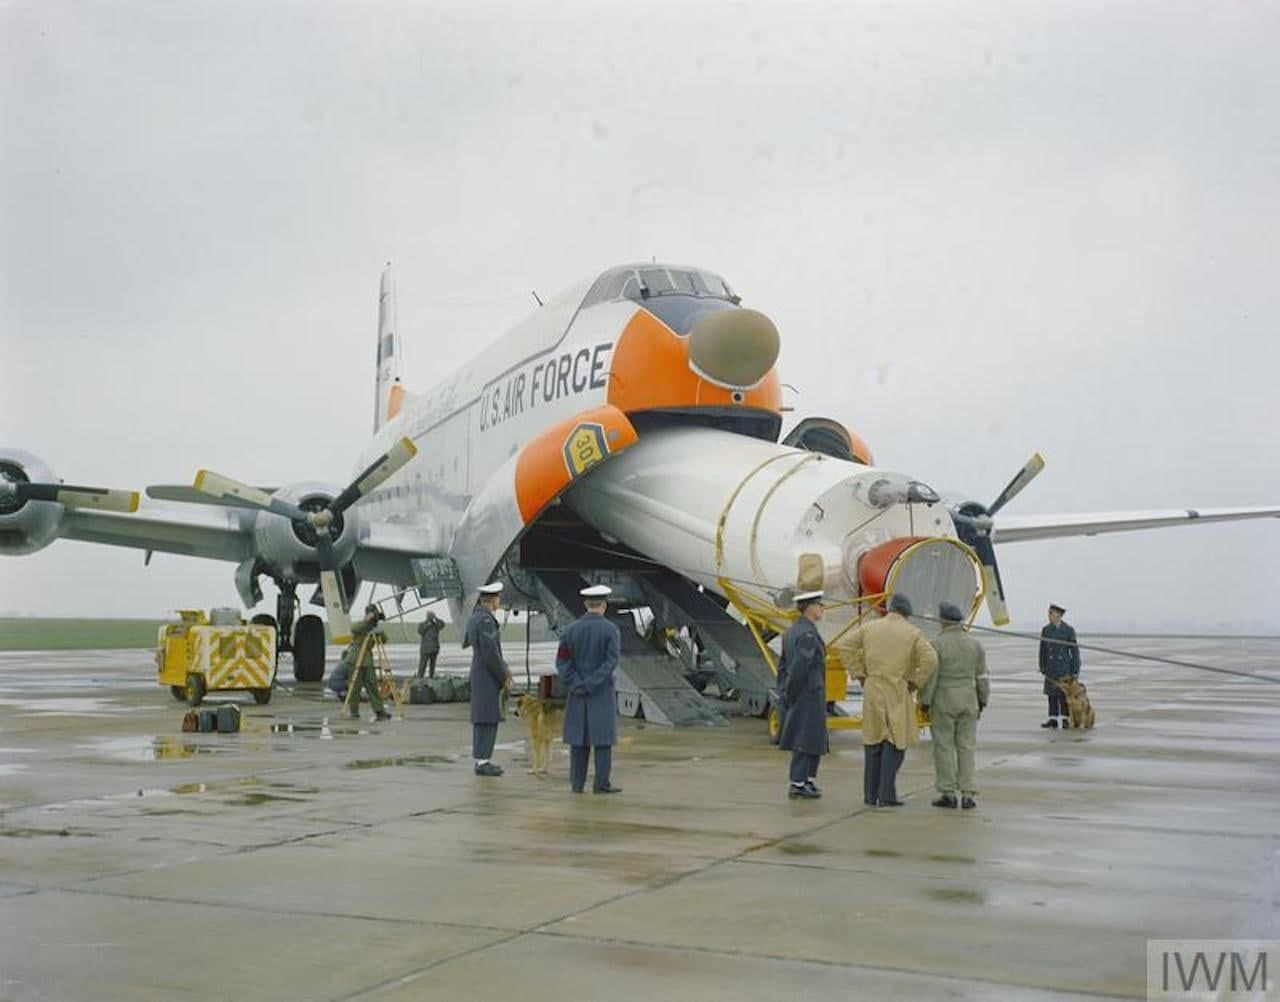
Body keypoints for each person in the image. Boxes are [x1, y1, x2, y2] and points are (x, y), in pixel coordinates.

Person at [840, 593, 937, 807]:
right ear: (907, 613)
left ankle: (870, 794)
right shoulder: (913, 633)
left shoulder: (870, 628)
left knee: (873, 741)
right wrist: (916, 682)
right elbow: (930, 659)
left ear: (890, 609)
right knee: (895, 741)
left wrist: (859, 673)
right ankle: (887, 794)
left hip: (873, 687)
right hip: (897, 689)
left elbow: (844, 646)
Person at [921, 602, 990, 810]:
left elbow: (931, 677)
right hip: (969, 700)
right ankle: (968, 793)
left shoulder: (936, 644)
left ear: (943, 620)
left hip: (944, 700)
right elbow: (982, 676)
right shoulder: (975, 644)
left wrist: (924, 701)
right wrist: (983, 699)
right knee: (966, 747)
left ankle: (948, 793)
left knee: (944, 747)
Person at [557, 584, 623, 794]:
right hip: (601, 692)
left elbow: (562, 662)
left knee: (578, 740)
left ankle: (577, 784)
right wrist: (593, 683)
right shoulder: (611, 629)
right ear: (604, 604)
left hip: (577, 694)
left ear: (585, 604)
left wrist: (576, 683)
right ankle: (601, 784)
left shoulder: (570, 630)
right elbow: (611, 661)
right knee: (602, 741)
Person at [777, 590, 829, 800]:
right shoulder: (807, 634)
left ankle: (806, 779)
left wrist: (785, 689)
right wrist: (791, 691)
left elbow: (783, 666)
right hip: (807, 693)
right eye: (819, 605)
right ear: (810, 608)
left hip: (803, 693)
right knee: (804, 738)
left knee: (811, 737)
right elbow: (800, 667)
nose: (822, 609)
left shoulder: (792, 631)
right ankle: (798, 782)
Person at [466, 582, 512, 776]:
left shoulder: (475, 618)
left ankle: (481, 758)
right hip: (487, 676)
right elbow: (490, 653)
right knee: (488, 719)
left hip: (480, 674)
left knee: (481, 719)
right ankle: (484, 761)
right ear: (492, 600)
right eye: (498, 598)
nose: (499, 601)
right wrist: (504, 675)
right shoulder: (486, 620)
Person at [343, 604, 391, 721]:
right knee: (355, 687)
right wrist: (366, 622)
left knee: (372, 685)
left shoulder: (374, 627)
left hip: (367, 659)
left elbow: (384, 640)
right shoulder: (361, 625)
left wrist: (377, 629)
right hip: (356, 658)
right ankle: (354, 712)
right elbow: (354, 629)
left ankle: (379, 711)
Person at [1039, 603, 1080, 729]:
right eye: (1049, 613)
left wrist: (1075, 669)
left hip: (1063, 666)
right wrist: (1042, 665)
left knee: (1064, 694)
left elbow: (1074, 651)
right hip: (1050, 666)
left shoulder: (1068, 630)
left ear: (1059, 615)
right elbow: (1043, 650)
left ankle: (1065, 718)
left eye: (1051, 613)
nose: (1049, 616)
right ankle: (1053, 718)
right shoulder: (1046, 630)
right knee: (1051, 694)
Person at [417, 610, 443, 678]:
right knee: (422, 665)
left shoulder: (436, 625)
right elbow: (420, 631)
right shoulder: (422, 624)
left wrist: (436, 618)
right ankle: (420, 677)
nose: (430, 617)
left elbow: (442, 625)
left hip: (434, 649)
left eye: (431, 616)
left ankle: (431, 677)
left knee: (432, 666)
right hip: (425, 649)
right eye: (430, 616)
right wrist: (427, 625)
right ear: (427, 616)